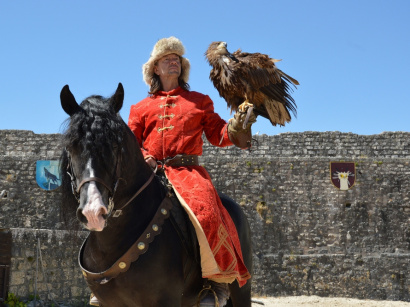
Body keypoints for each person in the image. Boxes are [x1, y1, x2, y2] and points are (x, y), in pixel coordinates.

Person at [91, 36, 255, 307]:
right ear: (155, 68)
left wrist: (236, 128)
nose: (173, 61)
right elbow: (131, 143)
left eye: (177, 59)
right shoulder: (140, 108)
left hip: (188, 174)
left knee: (208, 211)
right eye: (167, 58)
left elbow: (218, 134)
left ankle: (214, 283)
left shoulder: (199, 101)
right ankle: (105, 281)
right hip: (149, 174)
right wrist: (146, 158)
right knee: (109, 207)